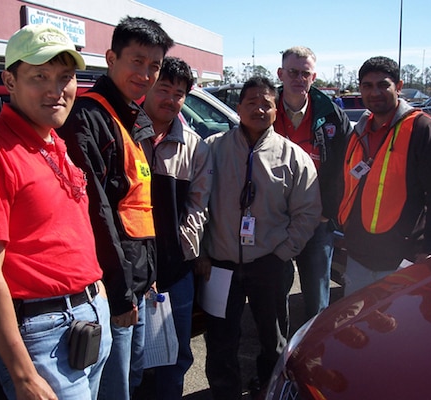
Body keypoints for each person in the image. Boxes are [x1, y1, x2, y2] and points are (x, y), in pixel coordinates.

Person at [0, 24, 112, 400]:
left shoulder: (52, 140)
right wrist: (22, 375)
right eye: (40, 76)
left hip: (89, 316)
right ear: (10, 80)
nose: (56, 91)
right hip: (43, 335)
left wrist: (95, 290)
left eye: (66, 77)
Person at [57, 16, 174, 400]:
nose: (145, 74)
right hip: (110, 289)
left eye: (153, 66)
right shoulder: (87, 117)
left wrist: (149, 273)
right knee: (114, 389)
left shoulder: (128, 116)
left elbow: (136, 207)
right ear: (111, 58)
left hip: (137, 281)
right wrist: (121, 293)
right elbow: (96, 212)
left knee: (133, 377)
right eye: (136, 61)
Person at [200, 76, 322, 400]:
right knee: (221, 338)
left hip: (270, 263)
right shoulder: (212, 149)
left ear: (275, 109)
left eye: (266, 102)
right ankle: (225, 392)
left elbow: (308, 213)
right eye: (251, 102)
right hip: (221, 265)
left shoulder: (294, 157)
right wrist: (202, 252)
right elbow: (195, 203)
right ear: (238, 108)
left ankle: (268, 389)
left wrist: (282, 253)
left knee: (274, 338)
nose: (259, 108)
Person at [338, 56, 431, 296]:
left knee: (397, 331)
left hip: (400, 260)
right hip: (359, 256)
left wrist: (430, 249)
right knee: (356, 329)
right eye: (367, 86)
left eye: (383, 85)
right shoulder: (359, 131)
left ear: (399, 86)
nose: (375, 92)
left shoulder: (423, 129)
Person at [140, 56, 212, 399]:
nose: (170, 98)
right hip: (129, 271)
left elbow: (199, 204)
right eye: (163, 88)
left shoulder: (194, 145)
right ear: (148, 86)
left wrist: (185, 247)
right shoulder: (123, 133)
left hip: (175, 269)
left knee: (175, 354)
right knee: (128, 358)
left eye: (179, 93)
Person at [275, 46, 352, 320]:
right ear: (280, 73)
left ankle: (314, 351)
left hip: (317, 221)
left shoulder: (331, 114)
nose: (298, 78)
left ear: (313, 76)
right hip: (274, 220)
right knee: (274, 292)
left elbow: (345, 168)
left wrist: (327, 212)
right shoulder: (264, 110)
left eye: (304, 73)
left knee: (317, 295)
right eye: (292, 72)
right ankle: (278, 351)